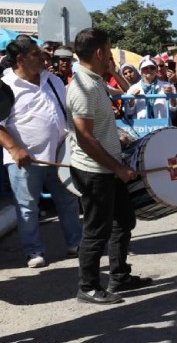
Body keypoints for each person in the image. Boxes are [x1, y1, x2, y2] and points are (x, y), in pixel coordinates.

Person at [66, 28, 152, 304]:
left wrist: (117, 139)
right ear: (100, 52)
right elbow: (86, 139)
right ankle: (88, 287)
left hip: (108, 167)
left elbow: (122, 94)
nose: (112, 55)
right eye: (110, 49)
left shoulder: (95, 81)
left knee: (124, 221)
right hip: (95, 171)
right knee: (96, 229)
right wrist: (117, 168)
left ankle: (119, 276)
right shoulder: (82, 87)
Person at [0, 35, 82, 268]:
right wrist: (15, 149)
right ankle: (33, 251)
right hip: (25, 160)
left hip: (59, 155)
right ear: (20, 59)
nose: (43, 57)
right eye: (36, 54)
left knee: (68, 200)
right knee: (27, 207)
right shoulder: (6, 87)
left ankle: (76, 243)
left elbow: (66, 113)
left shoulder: (53, 81)